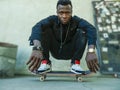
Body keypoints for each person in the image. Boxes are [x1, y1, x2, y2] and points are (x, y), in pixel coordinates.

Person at [26, 0, 99, 74]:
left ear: (71, 12)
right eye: (61, 13)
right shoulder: (52, 20)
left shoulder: (76, 21)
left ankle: (75, 63)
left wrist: (91, 51)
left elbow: (91, 29)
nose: (64, 16)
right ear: (57, 12)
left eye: (67, 13)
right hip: (55, 50)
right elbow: (36, 27)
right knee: (44, 29)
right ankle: (45, 62)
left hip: (70, 51)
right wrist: (37, 48)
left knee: (83, 31)